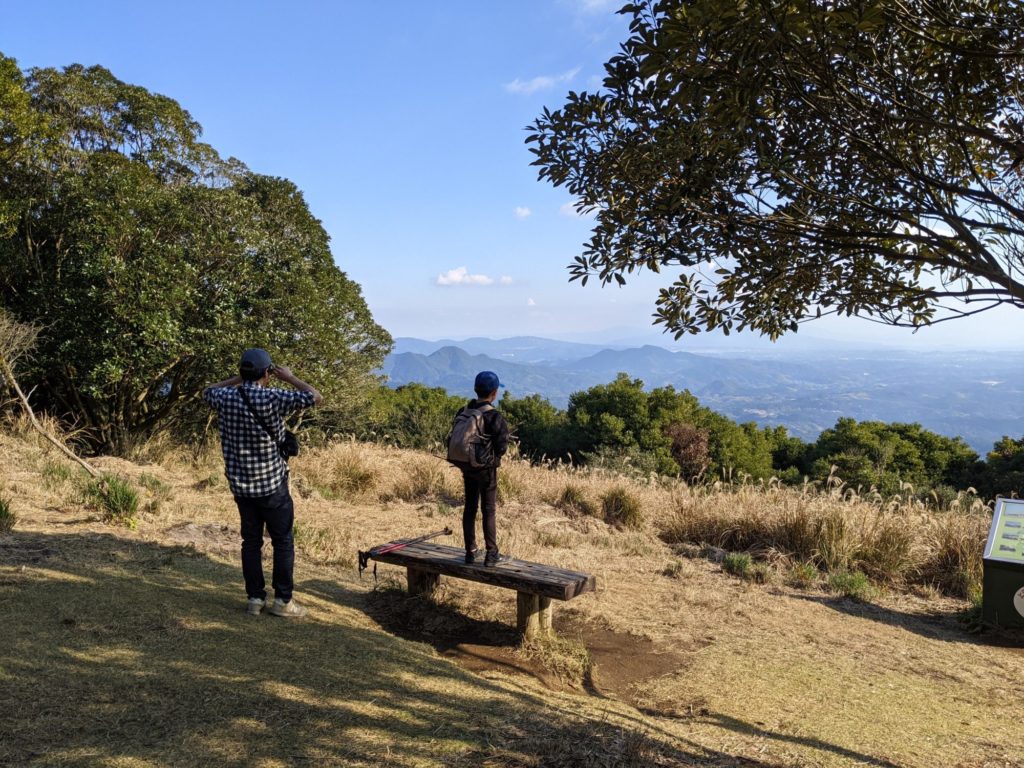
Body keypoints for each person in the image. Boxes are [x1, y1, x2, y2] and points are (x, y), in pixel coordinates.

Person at [203, 348, 323, 617]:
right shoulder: (272, 397)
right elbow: (315, 397)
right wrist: (291, 377)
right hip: (272, 484)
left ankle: (255, 599)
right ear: (268, 373)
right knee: (282, 541)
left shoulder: (224, 397)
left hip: (241, 485)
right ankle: (283, 602)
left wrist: (238, 380)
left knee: (250, 542)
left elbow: (208, 390)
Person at [455, 370, 510, 566]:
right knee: (489, 510)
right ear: (494, 392)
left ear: (476, 390)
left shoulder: (465, 411)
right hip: (486, 470)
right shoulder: (494, 416)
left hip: (466, 466)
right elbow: (501, 447)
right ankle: (492, 554)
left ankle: (470, 551)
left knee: (470, 507)